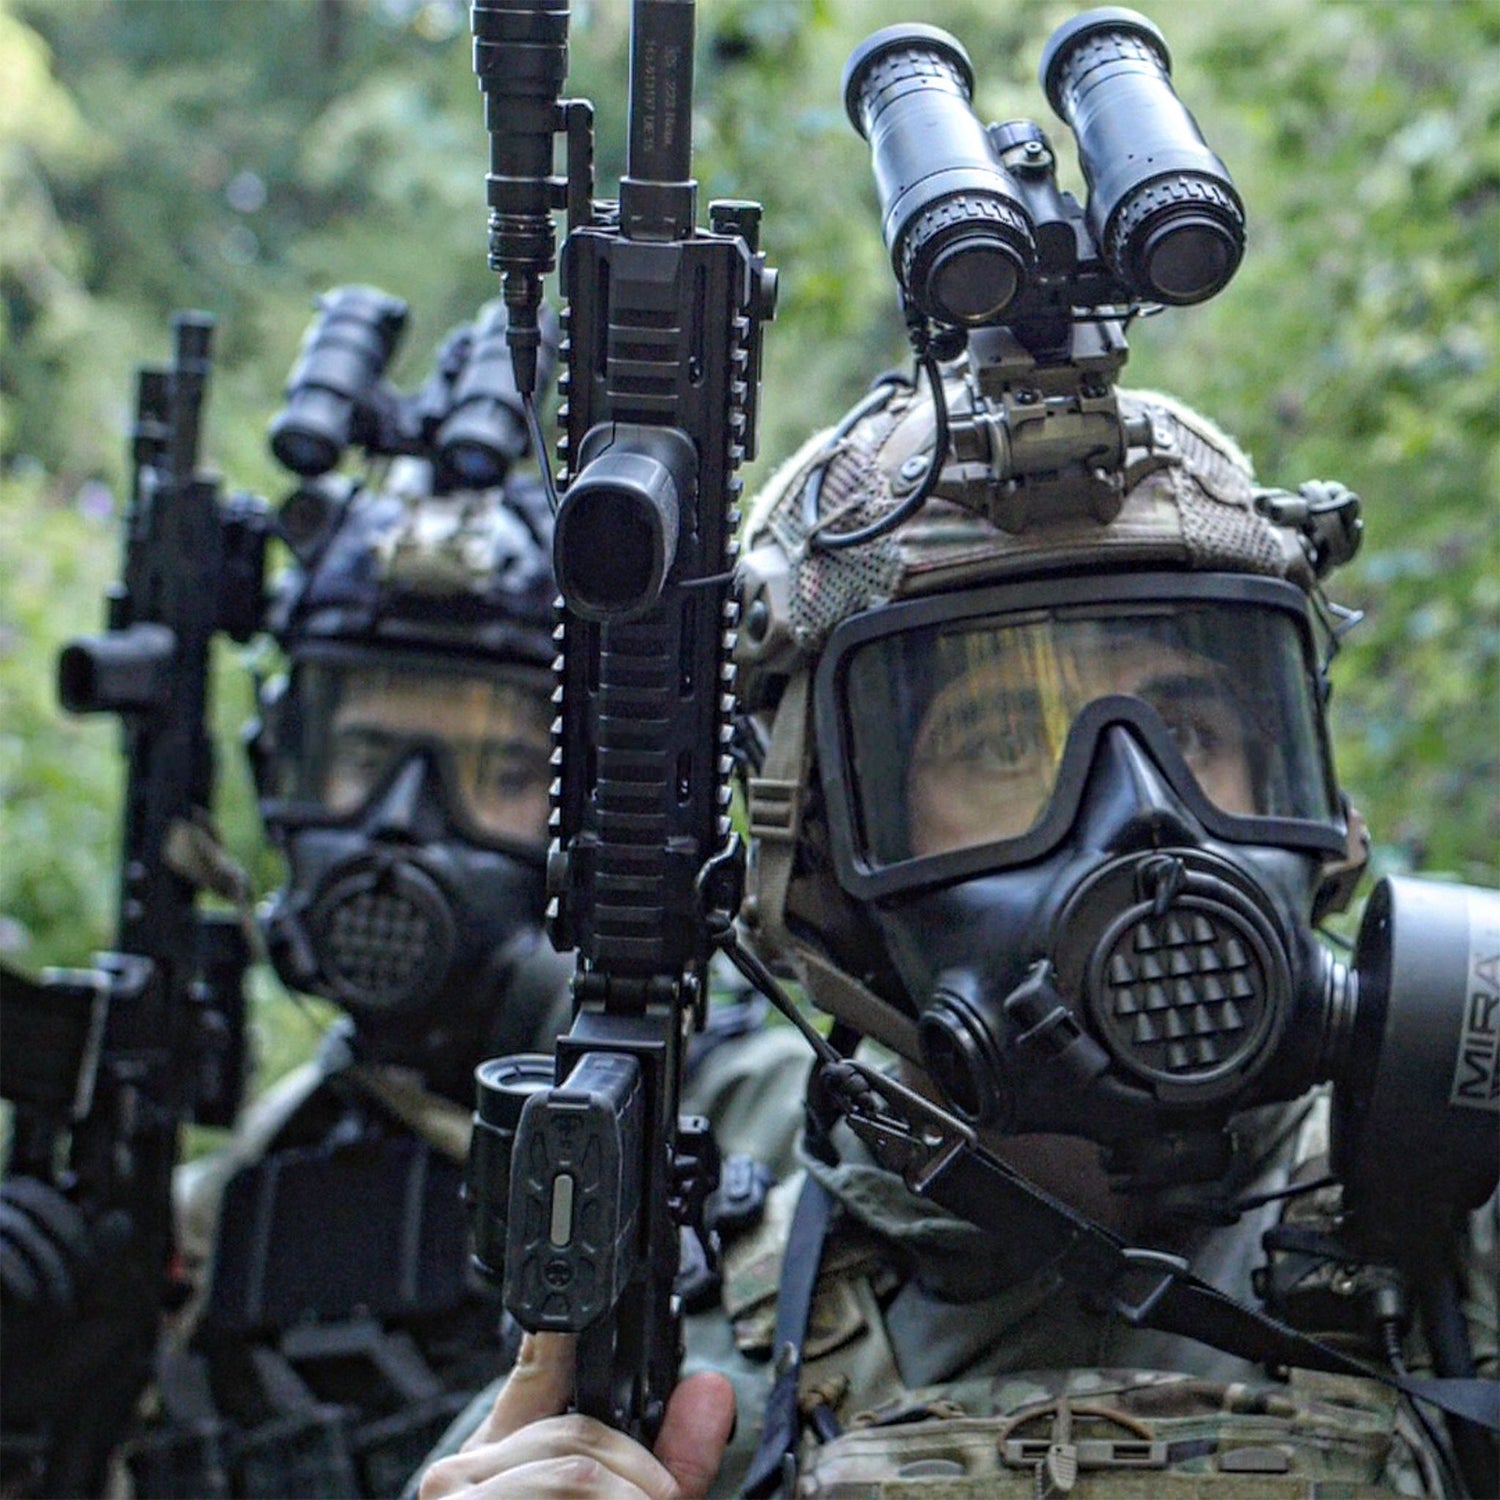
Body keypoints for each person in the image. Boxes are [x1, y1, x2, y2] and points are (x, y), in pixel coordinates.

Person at [414, 358, 1498, 1498]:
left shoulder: (1464, 1248)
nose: (1144, 825)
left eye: (1191, 723)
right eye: (1001, 749)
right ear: (826, 866)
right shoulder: (674, 1372)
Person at [0, 301, 579, 1499]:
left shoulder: (740, 1153)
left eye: (499, 772)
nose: (407, 825)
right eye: (367, 758)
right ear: (281, 779)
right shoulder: (221, 1215)